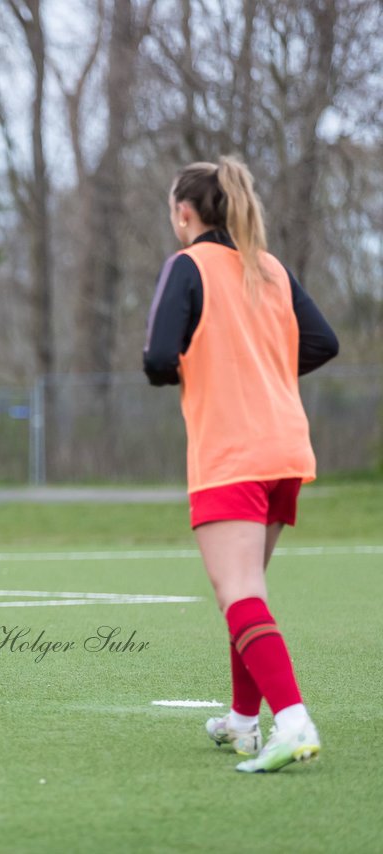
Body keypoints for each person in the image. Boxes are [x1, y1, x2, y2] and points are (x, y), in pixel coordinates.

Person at [144, 156, 338, 772]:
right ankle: (243, 722)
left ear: (184, 213)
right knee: (243, 592)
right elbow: (323, 342)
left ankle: (293, 721)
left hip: (232, 452)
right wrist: (260, 372)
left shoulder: (187, 264)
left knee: (241, 595)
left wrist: (206, 370)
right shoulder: (270, 267)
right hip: (284, 450)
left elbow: (156, 357)